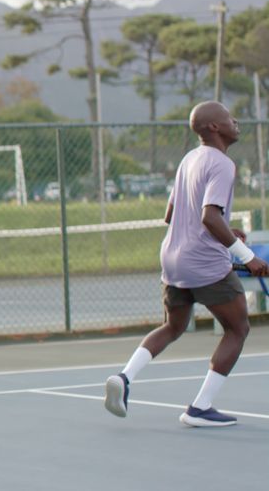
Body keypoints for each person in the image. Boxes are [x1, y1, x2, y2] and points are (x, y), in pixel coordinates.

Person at [104, 101, 266, 427]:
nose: (235, 121)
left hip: (173, 259)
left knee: (173, 326)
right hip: (204, 263)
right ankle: (200, 408)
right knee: (238, 328)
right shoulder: (222, 164)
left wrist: (227, 229)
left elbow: (172, 215)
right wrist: (249, 258)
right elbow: (209, 217)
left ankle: (124, 378)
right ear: (214, 128)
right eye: (227, 117)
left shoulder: (188, 159)